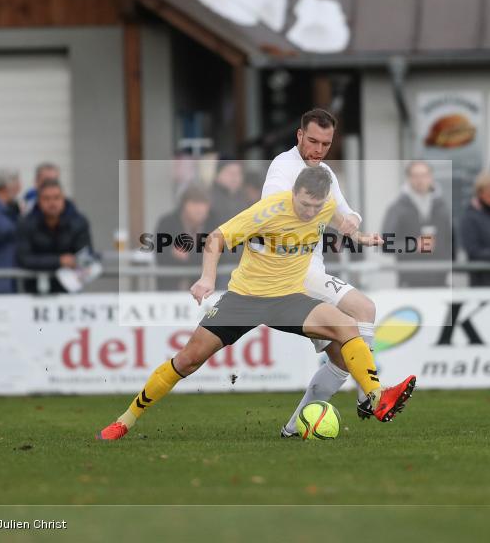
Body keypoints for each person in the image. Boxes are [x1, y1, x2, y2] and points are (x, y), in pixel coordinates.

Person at [95, 166, 416, 441]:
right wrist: (207, 279)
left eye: (315, 206)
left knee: (347, 324)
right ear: (294, 192)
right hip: (245, 299)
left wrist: (359, 237)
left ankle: (376, 396)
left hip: (289, 298)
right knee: (189, 359)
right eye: (304, 204)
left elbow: (335, 219)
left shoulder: (324, 204)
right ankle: (126, 419)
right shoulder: (269, 210)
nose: (309, 211)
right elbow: (216, 238)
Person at [261, 109, 381, 437]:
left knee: (343, 355)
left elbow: (344, 210)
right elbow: (274, 209)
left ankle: (292, 429)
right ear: (299, 136)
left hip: (312, 271)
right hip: (289, 274)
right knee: (363, 310)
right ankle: (370, 393)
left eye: (325, 144)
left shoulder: (325, 171)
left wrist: (354, 224)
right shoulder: (283, 168)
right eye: (312, 140)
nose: (318, 149)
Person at [381, 160, 452, 287]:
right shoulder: (397, 208)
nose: (420, 180)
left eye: (424, 175)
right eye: (416, 176)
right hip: (410, 283)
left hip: (440, 281)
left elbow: (450, 243)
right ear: (408, 179)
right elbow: (385, 245)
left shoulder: (442, 206)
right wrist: (414, 245)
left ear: (431, 177)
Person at [16, 179, 93, 293]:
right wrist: (59, 261)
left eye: (57, 198)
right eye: (46, 199)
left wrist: (75, 263)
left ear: (64, 199)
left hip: (70, 290)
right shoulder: (26, 223)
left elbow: (86, 255)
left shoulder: (78, 222)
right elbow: (24, 259)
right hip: (34, 292)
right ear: (39, 201)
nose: (52, 203)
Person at [154, 184, 212, 291]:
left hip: (204, 289)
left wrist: (189, 256)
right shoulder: (167, 223)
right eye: (194, 203)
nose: (199, 209)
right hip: (171, 288)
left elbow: (222, 254)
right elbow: (160, 253)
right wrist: (172, 253)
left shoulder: (214, 223)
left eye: (203, 203)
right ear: (184, 205)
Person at [207, 158, 250, 228]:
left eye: (238, 173)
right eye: (230, 173)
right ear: (217, 175)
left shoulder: (246, 199)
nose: (235, 177)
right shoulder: (208, 199)